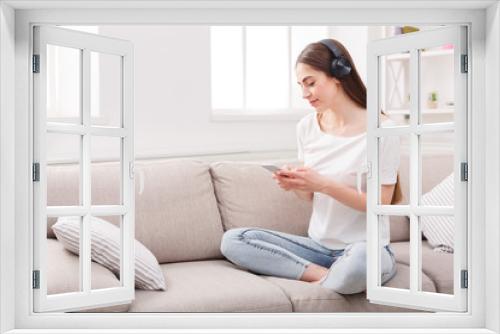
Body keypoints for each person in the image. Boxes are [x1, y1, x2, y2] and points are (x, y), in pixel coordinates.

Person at [220, 38, 402, 294]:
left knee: (360, 262)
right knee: (234, 240)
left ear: (339, 74)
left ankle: (336, 276)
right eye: (300, 85)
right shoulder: (307, 127)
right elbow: (308, 196)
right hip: (318, 249)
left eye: (311, 83)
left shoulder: (384, 130)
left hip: (366, 247)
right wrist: (296, 184)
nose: (304, 94)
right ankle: (324, 275)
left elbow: (380, 203)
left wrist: (324, 185)